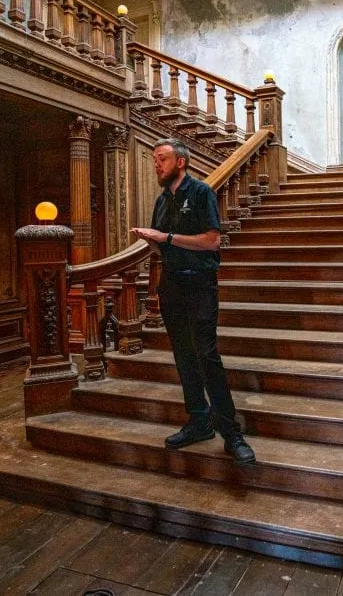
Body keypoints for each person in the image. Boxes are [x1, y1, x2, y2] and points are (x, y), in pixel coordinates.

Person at [130, 139, 256, 465]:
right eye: (155, 160)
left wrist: (166, 238)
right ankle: (199, 422)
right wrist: (152, 242)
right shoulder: (161, 202)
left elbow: (212, 242)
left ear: (180, 162)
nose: (156, 164)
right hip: (171, 285)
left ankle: (232, 433)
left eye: (162, 159)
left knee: (206, 356)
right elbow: (164, 249)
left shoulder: (201, 193)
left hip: (200, 284)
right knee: (184, 356)